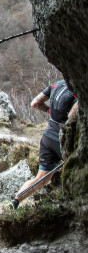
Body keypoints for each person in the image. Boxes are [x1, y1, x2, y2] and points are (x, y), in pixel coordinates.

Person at [10, 79, 77, 208]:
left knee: (42, 178)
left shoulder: (57, 84)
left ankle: (15, 201)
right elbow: (71, 118)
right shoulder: (78, 92)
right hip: (63, 141)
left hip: (48, 137)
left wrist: (50, 112)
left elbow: (35, 103)